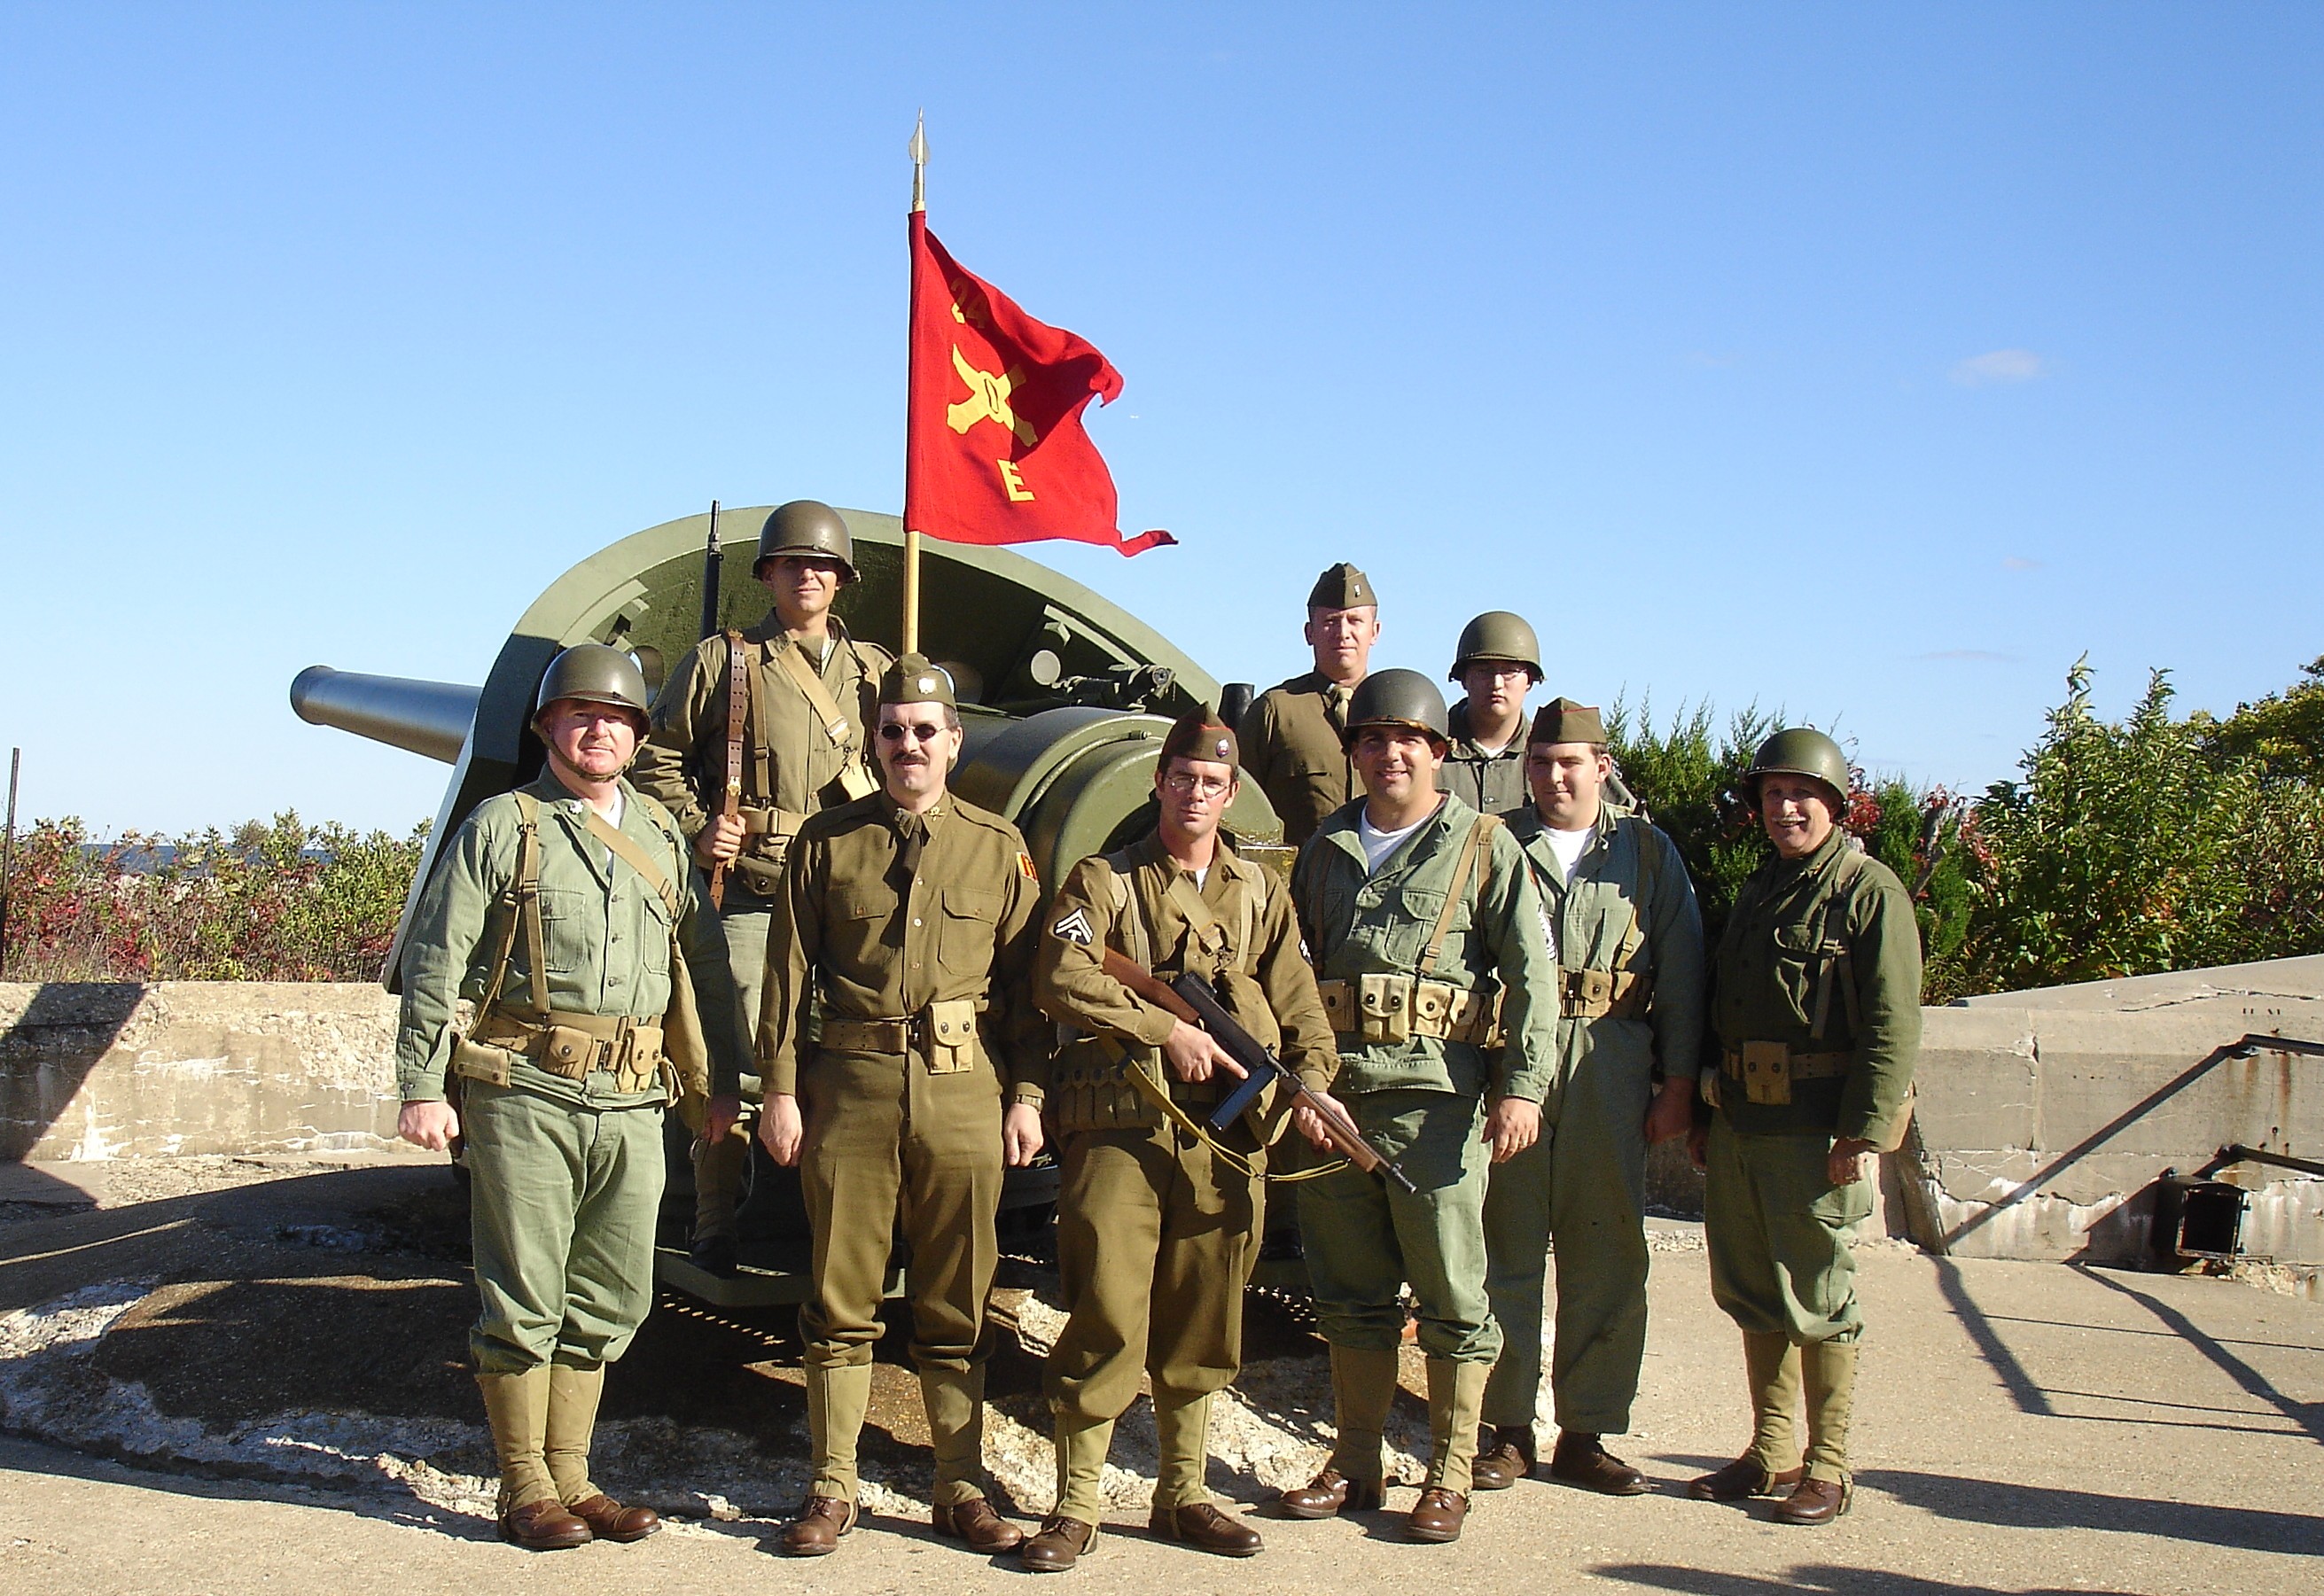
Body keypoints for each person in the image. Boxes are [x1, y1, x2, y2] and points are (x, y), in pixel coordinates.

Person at [394, 643, 749, 1550]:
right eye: (582, 714)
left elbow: (704, 968)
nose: (601, 729)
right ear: (549, 726)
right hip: (526, 1091)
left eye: (619, 717)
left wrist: (716, 1090)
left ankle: (576, 1478)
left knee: (612, 1294)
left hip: (631, 1103)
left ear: (636, 735)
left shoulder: (664, 836)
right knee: (523, 1293)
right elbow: (440, 958)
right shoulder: (505, 826)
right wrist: (423, 1086)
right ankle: (525, 1488)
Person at [1021, 710, 1339, 1571]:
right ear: (1159, 781)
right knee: (1108, 1311)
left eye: (1212, 783)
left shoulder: (1257, 890)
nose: (1195, 793)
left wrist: (1312, 1083)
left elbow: (1298, 995)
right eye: (1182, 777)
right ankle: (1076, 1504)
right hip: (1123, 1128)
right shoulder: (1108, 880)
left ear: (1230, 793)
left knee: (1205, 1316)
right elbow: (1060, 971)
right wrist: (1163, 1029)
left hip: (1226, 1139)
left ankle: (1183, 1495)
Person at [758, 653, 1048, 1558]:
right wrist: (777, 1089)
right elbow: (785, 977)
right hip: (850, 1089)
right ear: (875, 742)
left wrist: (1029, 1095)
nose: (909, 744)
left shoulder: (997, 848)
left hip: (966, 1095)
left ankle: (959, 1485)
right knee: (839, 1300)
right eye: (893, 731)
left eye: (926, 731)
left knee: (957, 1302)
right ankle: (832, 1487)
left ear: (954, 741)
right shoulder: (826, 841)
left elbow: (1029, 989)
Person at [1272, 668, 1557, 1545]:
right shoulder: (1324, 850)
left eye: (1409, 739)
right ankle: (1356, 1463)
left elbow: (1533, 977)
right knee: (1350, 1295)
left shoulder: (1483, 845)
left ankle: (1449, 1473)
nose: (1389, 754)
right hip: (1338, 1103)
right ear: (1353, 752)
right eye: (1372, 739)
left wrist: (1523, 1087)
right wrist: (1303, 1085)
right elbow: (1288, 976)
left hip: (1438, 1107)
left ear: (1437, 751)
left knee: (1451, 1296)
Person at [631, 499, 892, 1276]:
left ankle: (838, 1225)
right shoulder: (726, 661)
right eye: (791, 562)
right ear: (769, 573)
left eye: (821, 564)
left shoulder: (876, 673)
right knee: (738, 1059)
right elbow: (657, 757)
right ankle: (717, 1219)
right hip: (751, 893)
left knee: (847, 1059)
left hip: (846, 902)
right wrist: (696, 823)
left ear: (841, 579)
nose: (806, 574)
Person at [1688, 728, 1921, 1525]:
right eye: (1773, 795)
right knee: (1753, 1289)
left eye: (1803, 794)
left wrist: (1864, 1131)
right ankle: (1770, 1451)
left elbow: (1894, 1020)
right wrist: (1703, 1114)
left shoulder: (1867, 890)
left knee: (1819, 1293)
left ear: (1835, 802)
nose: (1786, 808)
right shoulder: (1766, 887)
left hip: (1816, 1126)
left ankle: (1829, 1465)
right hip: (1743, 1119)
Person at [1472, 697, 1704, 1494]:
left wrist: (1678, 1084)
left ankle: (1588, 1430)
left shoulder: (1646, 852)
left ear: (1602, 766)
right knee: (1505, 1245)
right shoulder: (1494, 841)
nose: (1552, 776)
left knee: (1605, 1252)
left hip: (1611, 1056)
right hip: (1515, 1062)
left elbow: (1683, 971)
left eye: (1569, 762)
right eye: (1539, 762)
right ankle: (1505, 1428)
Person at [1236, 562, 1380, 847]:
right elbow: (1239, 807)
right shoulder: (1276, 711)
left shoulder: (1397, 710)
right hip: (1298, 886)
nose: (1342, 632)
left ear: (1374, 631)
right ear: (1309, 633)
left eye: (1355, 621)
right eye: (1330, 621)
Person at [1439, 612, 1540, 816]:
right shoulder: (1430, 750)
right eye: (1483, 671)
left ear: (1529, 680)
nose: (1497, 684)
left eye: (1510, 671)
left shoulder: (1549, 754)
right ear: (1464, 679)